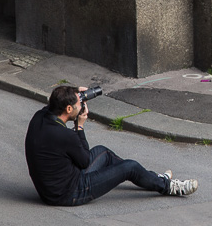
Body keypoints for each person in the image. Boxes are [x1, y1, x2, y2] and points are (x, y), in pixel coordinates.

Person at [25, 86, 198, 206]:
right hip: (69, 193)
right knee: (130, 167)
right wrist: (80, 126)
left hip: (50, 190)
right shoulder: (65, 135)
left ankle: (153, 178)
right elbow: (85, 162)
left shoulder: (40, 116)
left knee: (103, 153)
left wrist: (75, 92)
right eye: (79, 104)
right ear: (69, 109)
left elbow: (56, 101)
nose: (81, 106)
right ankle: (169, 187)